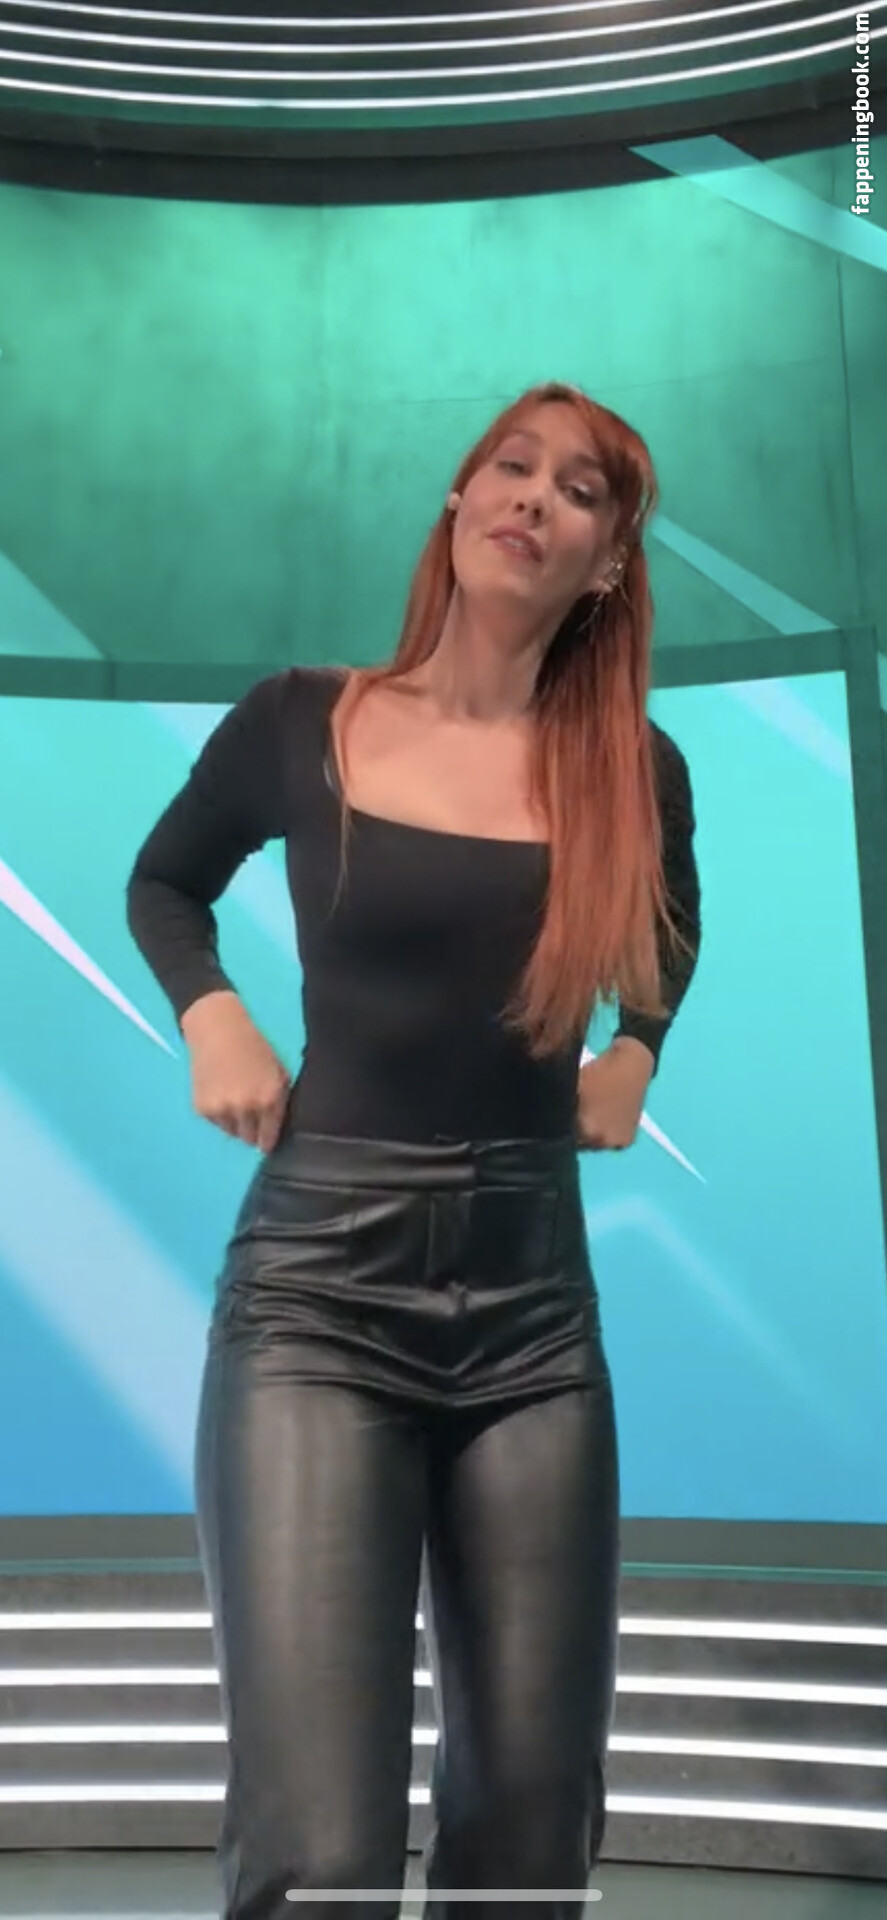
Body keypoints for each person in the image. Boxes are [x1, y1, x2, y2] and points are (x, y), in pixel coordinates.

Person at [126, 380, 701, 1920]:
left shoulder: (634, 771)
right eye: (510, 466)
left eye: (579, 490)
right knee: (319, 1854)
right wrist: (212, 1016)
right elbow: (166, 884)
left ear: (607, 563)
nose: (532, 497)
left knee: (531, 1837)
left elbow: (669, 934)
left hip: (535, 1330)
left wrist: (636, 1050)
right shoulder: (301, 720)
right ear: (458, 501)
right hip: (317, 1305)